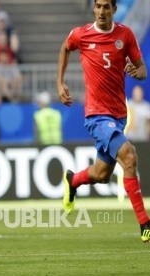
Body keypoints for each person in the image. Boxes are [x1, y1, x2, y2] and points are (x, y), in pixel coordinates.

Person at [57, 0, 149, 242]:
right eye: (98, 6)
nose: (101, 11)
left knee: (101, 174)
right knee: (129, 156)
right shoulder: (82, 34)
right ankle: (145, 224)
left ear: (114, 9)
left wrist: (135, 72)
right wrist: (60, 82)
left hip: (118, 115)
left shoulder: (125, 35)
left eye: (106, 6)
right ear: (94, 8)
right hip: (97, 115)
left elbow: (142, 70)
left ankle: (72, 180)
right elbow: (65, 48)